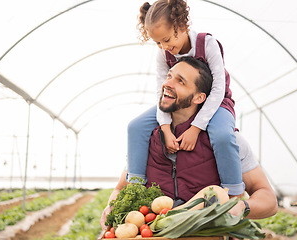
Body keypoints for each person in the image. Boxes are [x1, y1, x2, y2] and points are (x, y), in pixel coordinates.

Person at [100, 57, 278, 231]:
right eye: (169, 76)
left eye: (180, 81)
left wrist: (242, 207)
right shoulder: (145, 139)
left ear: (199, 98)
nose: (167, 83)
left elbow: (269, 200)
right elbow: (120, 188)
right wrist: (111, 206)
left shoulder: (227, 142)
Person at [127, 0, 244, 197]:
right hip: (176, 104)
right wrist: (165, 128)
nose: (164, 47)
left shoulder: (207, 44)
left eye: (166, 39)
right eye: (158, 43)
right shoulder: (163, 54)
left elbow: (218, 88)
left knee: (223, 135)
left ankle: (233, 192)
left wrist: (196, 128)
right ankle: (135, 185)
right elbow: (161, 92)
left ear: (181, 26)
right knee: (136, 127)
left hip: (216, 102)